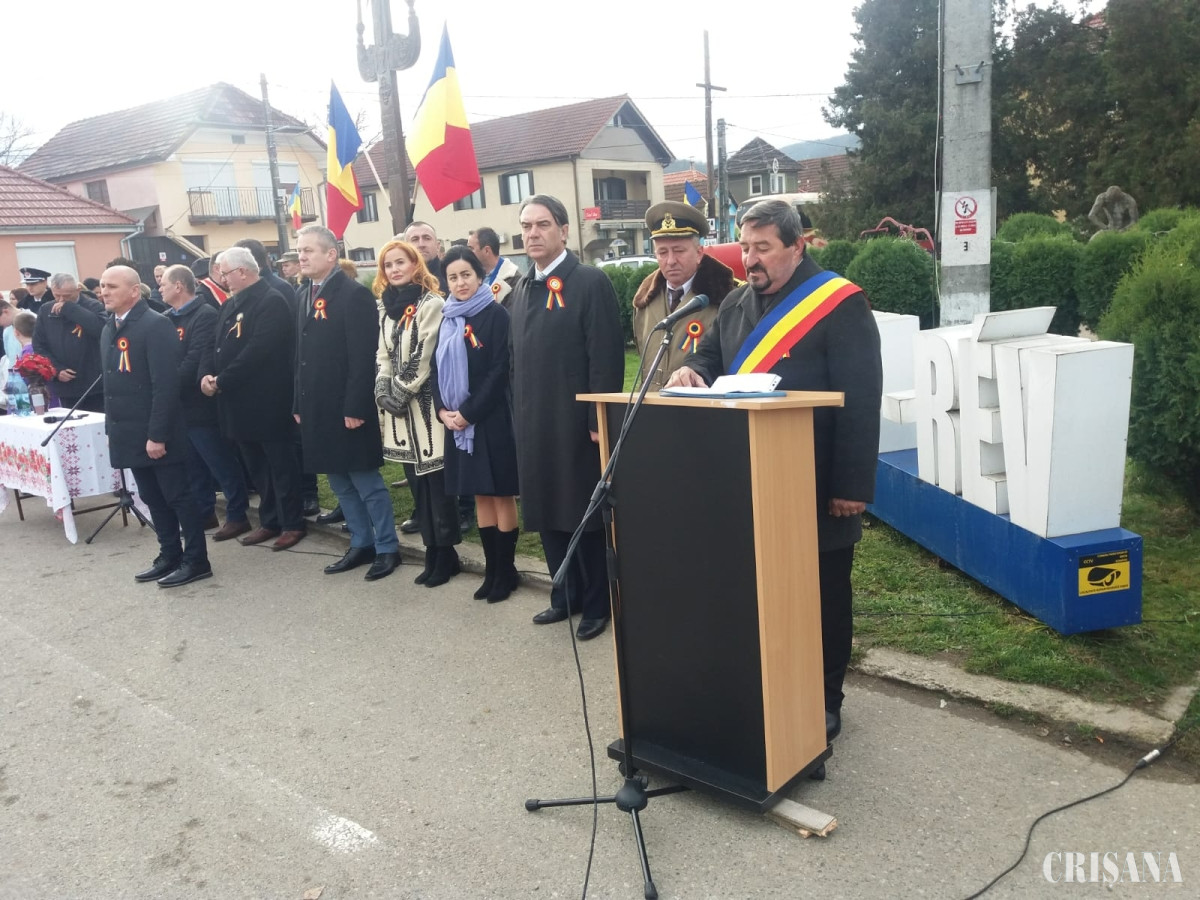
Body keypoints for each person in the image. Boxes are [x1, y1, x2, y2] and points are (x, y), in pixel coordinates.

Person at [665, 199, 883, 756]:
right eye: (745, 247)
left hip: (816, 480)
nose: (750, 259)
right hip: (747, 477)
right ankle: (771, 684)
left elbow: (862, 399)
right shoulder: (736, 302)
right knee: (763, 591)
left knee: (823, 596)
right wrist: (690, 369)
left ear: (796, 246)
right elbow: (710, 358)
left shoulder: (839, 302)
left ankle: (826, 698)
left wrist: (851, 486)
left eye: (763, 248)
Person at [508, 194, 625, 641]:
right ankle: (565, 595)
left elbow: (605, 355)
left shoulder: (589, 282)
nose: (532, 233)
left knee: (582, 514)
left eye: (542, 224)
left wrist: (598, 418)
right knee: (545, 509)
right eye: (526, 226)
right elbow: (515, 359)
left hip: (575, 424)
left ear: (563, 230)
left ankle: (597, 603)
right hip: (533, 422)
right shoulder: (522, 287)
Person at [295, 224, 400, 581]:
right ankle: (361, 542)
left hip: (346, 407)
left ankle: (386, 547)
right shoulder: (303, 293)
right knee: (338, 480)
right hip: (316, 406)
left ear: (331, 254)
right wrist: (297, 403)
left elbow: (363, 356)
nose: (302, 256)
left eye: (308, 250)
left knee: (365, 481)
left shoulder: (353, 294)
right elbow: (299, 356)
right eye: (299, 250)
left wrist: (356, 406)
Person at [98, 265, 211, 588]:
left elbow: (165, 385)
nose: (104, 292)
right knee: (151, 497)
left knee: (177, 496)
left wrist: (157, 434)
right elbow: (110, 385)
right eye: (103, 286)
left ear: (134, 290)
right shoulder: (110, 327)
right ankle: (170, 554)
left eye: (112, 286)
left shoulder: (155, 325)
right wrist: (111, 430)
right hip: (129, 431)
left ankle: (196, 560)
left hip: (157, 431)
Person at [200, 246, 306, 551]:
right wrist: (205, 375)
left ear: (243, 272)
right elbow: (213, 345)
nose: (221, 278)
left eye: (225, 273)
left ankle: (292, 523)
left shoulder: (270, 300)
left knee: (280, 466)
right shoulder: (229, 304)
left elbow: (259, 351)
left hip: (266, 401)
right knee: (257, 466)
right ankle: (270, 520)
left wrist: (222, 380)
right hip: (237, 403)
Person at [433, 246, 520, 601]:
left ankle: (507, 571)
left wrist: (468, 412)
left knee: (500, 494)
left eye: (466, 275)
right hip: (457, 425)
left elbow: (499, 371)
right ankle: (492, 569)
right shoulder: (448, 317)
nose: (460, 283)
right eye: (453, 277)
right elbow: (436, 369)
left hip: (489, 419)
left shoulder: (496, 315)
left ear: (480, 276)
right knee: (481, 493)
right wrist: (443, 411)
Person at [373, 239, 462, 586]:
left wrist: (398, 391)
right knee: (416, 483)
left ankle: (446, 552)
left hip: (426, 406)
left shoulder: (432, 303)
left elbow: (424, 353)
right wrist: (382, 389)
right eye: (388, 265)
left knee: (436, 482)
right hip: (399, 411)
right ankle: (432, 548)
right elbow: (382, 354)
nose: (394, 269)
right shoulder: (385, 308)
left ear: (415, 265)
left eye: (400, 262)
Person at [160, 264, 251, 542]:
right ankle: (204, 511)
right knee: (193, 464)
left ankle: (238, 515)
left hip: (201, 405)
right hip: (179, 406)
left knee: (219, 461)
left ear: (178, 286)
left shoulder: (205, 314)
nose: (159, 289)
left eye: (164, 284)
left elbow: (196, 359)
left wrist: (165, 386)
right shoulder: (167, 318)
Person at [236, 237, 319, 519]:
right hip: (265, 382)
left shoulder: (278, 289)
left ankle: (307, 493)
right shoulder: (253, 291)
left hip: (282, 376)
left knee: (294, 443)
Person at [632, 201, 740, 390]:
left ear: (699, 253)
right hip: (650, 404)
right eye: (662, 252)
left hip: (702, 404)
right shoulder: (645, 299)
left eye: (679, 251)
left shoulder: (727, 296)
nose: (671, 261)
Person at [32, 273, 107, 412]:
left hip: (94, 384)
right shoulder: (46, 310)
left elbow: (101, 329)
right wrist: (56, 369)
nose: (61, 300)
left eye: (66, 296)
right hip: (66, 385)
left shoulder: (93, 305)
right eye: (57, 295)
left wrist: (71, 309)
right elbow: (39, 345)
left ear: (78, 290)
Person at [467, 227, 521, 308]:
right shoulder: (470, 277)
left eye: (471, 248)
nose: (468, 253)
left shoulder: (515, 281)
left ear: (487, 251)